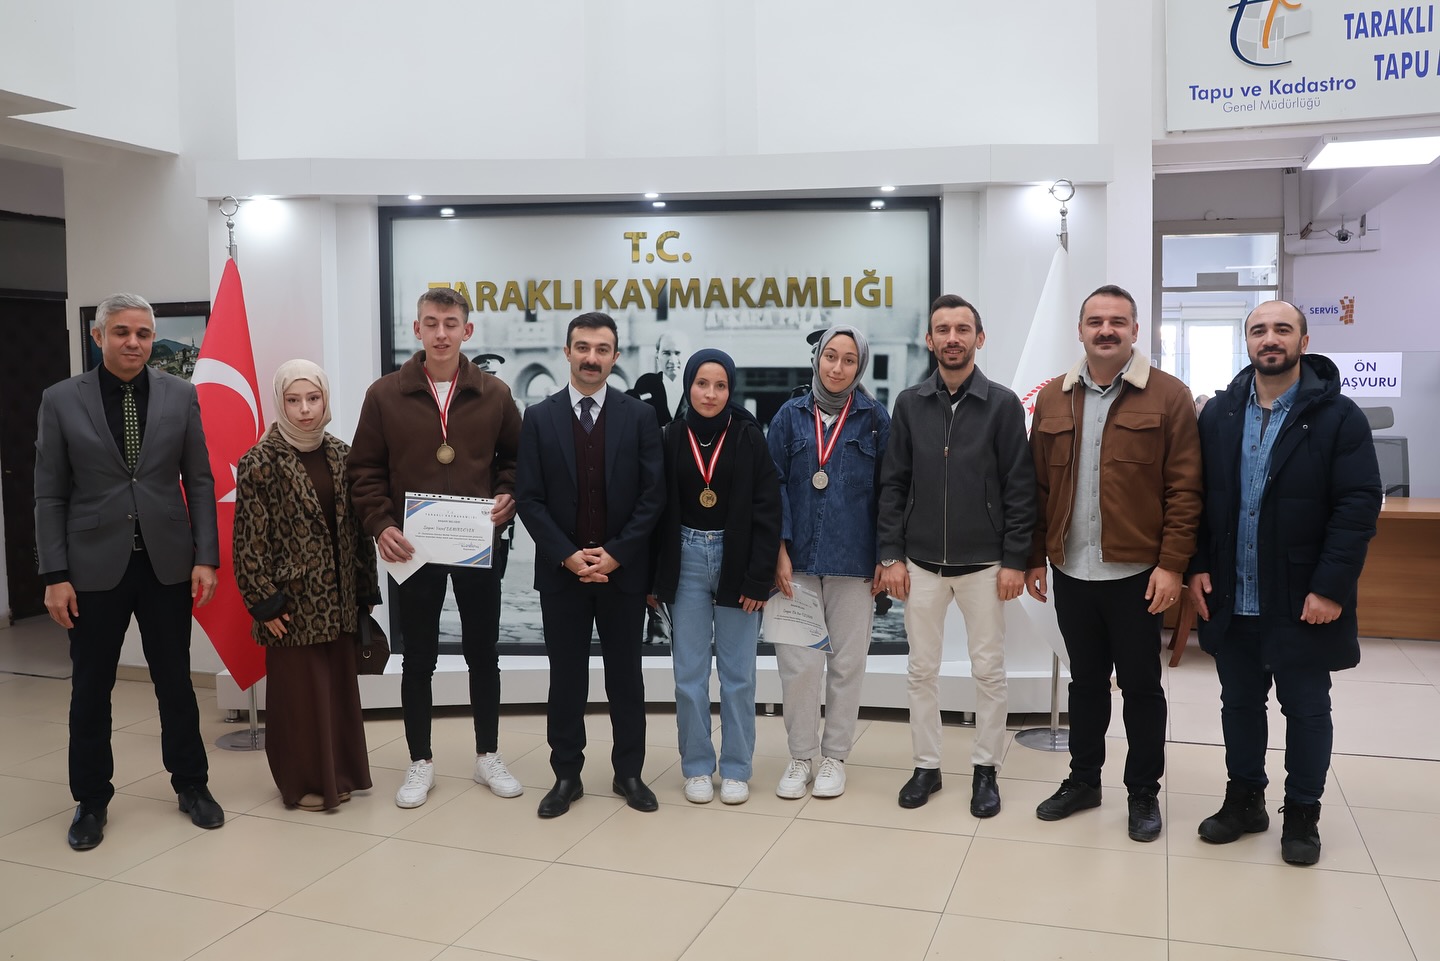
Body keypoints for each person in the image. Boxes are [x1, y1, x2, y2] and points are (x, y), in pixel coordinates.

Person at [1189, 301, 1380, 866]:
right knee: (1239, 704)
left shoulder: (1338, 416)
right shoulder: (1219, 413)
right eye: (1258, 330)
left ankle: (1301, 812)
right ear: (1247, 341)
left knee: (1306, 708)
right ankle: (1245, 799)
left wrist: (1331, 588)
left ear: (1303, 340)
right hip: (1233, 592)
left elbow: (1357, 506)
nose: (1269, 339)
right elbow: (1197, 498)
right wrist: (1197, 564)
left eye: (1281, 329)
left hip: (1303, 596)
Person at [34, 292, 224, 850]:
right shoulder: (60, 400)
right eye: (121, 332)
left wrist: (206, 557)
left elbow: (200, 480)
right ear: (99, 337)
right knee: (91, 688)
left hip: (167, 563)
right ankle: (91, 800)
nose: (133, 343)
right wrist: (54, 574)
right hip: (91, 569)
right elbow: (49, 494)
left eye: (143, 333)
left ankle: (192, 784)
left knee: (175, 683)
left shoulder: (180, 394)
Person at [1025, 284, 1202, 842]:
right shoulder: (1053, 398)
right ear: (1080, 331)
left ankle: (1143, 791)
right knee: (1085, 683)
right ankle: (1083, 780)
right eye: (1096, 321)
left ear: (1134, 331)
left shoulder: (1169, 396)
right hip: (1071, 570)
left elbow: (1185, 489)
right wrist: (1034, 557)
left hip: (1137, 575)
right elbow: (1037, 486)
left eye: (1118, 321)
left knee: (1142, 688)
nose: (1106, 330)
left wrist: (1172, 565)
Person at [348, 287, 524, 809]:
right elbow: (364, 469)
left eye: (451, 324)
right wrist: (380, 524)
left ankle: (488, 755)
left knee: (482, 654)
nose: (441, 333)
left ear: (467, 331)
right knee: (418, 658)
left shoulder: (495, 394)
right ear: (417, 329)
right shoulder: (385, 394)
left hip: (476, 544)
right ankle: (420, 761)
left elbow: (516, 461)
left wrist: (508, 495)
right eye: (431, 323)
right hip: (413, 549)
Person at [877, 295, 1036, 817]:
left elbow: (1020, 487)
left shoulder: (1003, 405)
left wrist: (1015, 559)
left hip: (985, 565)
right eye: (942, 329)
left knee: (988, 671)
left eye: (962, 329)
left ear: (978, 338)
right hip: (920, 564)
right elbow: (894, 484)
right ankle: (926, 766)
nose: (952, 338)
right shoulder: (909, 404)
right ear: (929, 340)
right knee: (921, 670)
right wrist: (891, 555)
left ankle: (986, 769)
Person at [516, 311, 666, 818]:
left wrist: (617, 554)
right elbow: (529, 498)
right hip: (563, 575)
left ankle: (629, 773)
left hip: (623, 575)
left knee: (626, 679)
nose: (591, 358)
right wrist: (568, 555)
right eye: (582, 347)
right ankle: (566, 776)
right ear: (567, 352)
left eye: (602, 349)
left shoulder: (639, 417)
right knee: (566, 680)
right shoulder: (539, 418)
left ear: (615, 357)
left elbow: (653, 496)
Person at [234, 360, 380, 811]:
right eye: (293, 400)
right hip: (291, 603)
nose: (304, 409)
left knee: (337, 692)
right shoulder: (260, 461)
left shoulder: (341, 453)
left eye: (313, 398)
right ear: (280, 403)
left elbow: (358, 531)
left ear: (325, 400)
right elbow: (247, 540)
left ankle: (341, 773)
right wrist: (264, 602)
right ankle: (301, 782)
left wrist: (365, 590)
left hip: (339, 598)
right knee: (300, 697)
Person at [652, 349, 780, 805]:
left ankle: (737, 767)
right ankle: (697, 766)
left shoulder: (748, 436)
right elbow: (654, 511)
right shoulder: (669, 436)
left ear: (731, 390)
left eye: (720, 385)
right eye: (702, 384)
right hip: (684, 558)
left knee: (738, 675)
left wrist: (758, 578)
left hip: (736, 557)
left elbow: (768, 510)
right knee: (688, 676)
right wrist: (655, 580)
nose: (710, 394)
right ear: (689, 386)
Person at [767, 325, 890, 800]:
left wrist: (886, 556)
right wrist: (778, 548)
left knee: (847, 664)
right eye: (830, 356)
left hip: (854, 562)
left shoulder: (875, 419)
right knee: (798, 666)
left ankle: (834, 757)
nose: (838, 367)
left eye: (849, 360)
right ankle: (801, 756)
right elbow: (772, 484)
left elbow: (890, 491)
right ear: (817, 359)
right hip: (795, 562)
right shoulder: (789, 415)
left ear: (860, 366)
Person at [628, 330, 691, 428]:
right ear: (657, 356)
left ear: (687, 355)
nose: (672, 360)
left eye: (677, 353)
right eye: (666, 353)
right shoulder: (645, 386)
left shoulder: (695, 389)